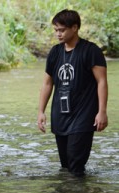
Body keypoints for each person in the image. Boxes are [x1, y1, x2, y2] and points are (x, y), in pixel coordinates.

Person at [37, 9, 108, 177]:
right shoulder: (55, 52)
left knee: (76, 164)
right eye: (56, 30)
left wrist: (102, 112)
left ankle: (78, 191)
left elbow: (102, 82)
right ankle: (68, 191)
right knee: (66, 165)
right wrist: (41, 111)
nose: (58, 34)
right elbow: (47, 83)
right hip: (60, 114)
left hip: (83, 115)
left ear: (74, 28)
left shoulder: (91, 51)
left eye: (62, 30)